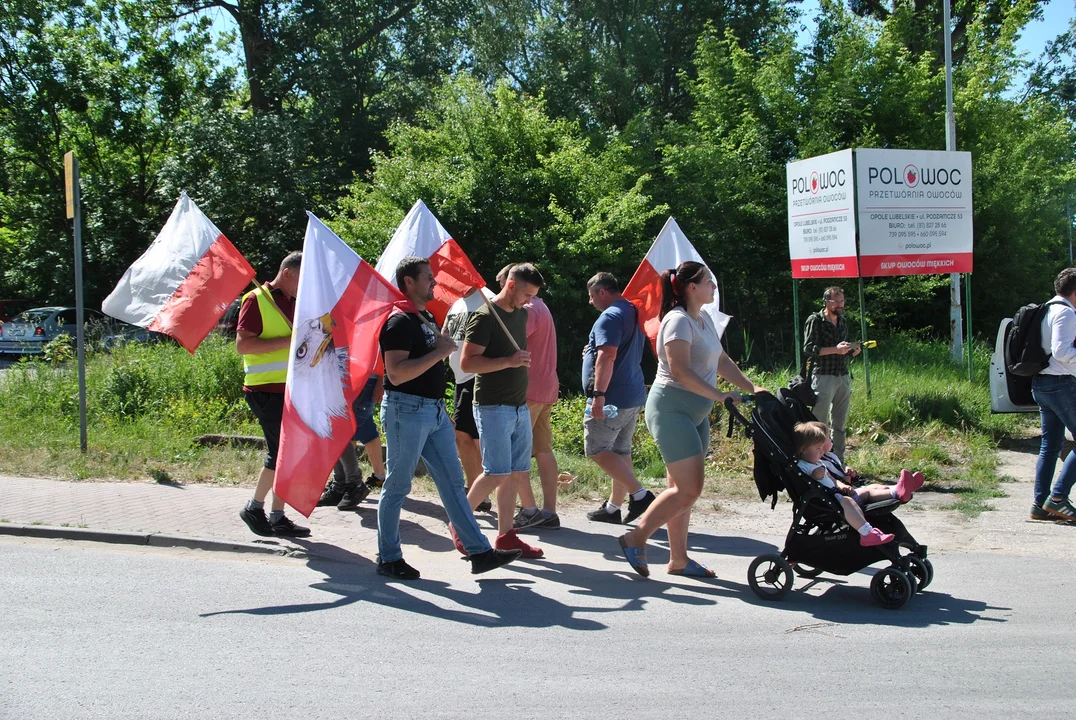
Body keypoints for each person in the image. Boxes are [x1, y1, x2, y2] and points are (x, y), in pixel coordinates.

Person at [376, 256, 522, 579]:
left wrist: (440, 408)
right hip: (406, 410)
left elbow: (428, 365)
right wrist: (439, 353)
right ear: (409, 282)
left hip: (433, 412)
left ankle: (479, 551)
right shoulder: (398, 321)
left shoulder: (424, 316)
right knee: (398, 485)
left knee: (455, 484)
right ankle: (388, 557)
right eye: (427, 277)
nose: (434, 282)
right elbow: (397, 374)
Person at [617, 261, 764, 578]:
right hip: (672, 409)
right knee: (689, 489)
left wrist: (752, 387)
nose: (714, 286)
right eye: (709, 281)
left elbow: (721, 359)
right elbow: (680, 370)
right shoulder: (677, 321)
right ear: (691, 287)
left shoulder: (704, 319)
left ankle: (679, 560)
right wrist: (720, 395)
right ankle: (635, 538)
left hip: (696, 411)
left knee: (679, 489)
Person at [462, 263, 546, 558]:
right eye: (526, 293)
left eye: (533, 295)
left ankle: (506, 536)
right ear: (510, 285)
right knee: (496, 472)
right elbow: (467, 363)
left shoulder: (521, 313)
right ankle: (459, 523)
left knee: (514, 473)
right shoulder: (484, 316)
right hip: (492, 405)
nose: (529, 301)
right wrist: (508, 362)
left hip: (518, 405)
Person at [237, 252, 311, 538]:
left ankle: (278, 515)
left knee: (288, 453)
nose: (305, 286)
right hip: (264, 390)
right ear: (288, 272)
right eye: (302, 278)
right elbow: (243, 345)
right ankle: (254, 507)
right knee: (279, 453)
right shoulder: (256, 299)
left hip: (291, 389)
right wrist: (288, 341)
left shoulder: (296, 302)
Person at [581, 272, 655, 525]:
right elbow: (613, 351)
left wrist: (599, 395)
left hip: (612, 397)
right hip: (631, 393)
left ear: (602, 292)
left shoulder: (610, 316)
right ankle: (613, 508)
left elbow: (608, 357)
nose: (590, 302)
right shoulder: (632, 310)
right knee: (620, 451)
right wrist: (591, 352)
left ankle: (641, 495)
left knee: (597, 449)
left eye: (592, 296)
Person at [492, 264, 561, 531]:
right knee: (543, 449)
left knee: (514, 454)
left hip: (528, 390)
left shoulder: (528, 310)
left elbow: (513, 344)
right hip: (545, 387)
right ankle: (549, 511)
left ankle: (530, 509)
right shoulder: (541, 306)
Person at [794, 421, 922, 546]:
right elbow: (807, 480)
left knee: (869, 490)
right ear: (804, 450)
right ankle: (867, 533)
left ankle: (898, 490)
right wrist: (815, 475)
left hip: (838, 494)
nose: (821, 452)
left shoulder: (818, 462)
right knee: (849, 501)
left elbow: (832, 480)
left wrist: (842, 485)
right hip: (828, 500)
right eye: (818, 449)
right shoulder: (802, 466)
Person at [444, 287, 496, 513]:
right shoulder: (456, 303)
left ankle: (494, 489)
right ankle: (476, 491)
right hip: (460, 378)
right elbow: (447, 335)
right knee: (461, 435)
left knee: (477, 439)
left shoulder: (489, 299)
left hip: (479, 377)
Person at [1031, 268, 1076, 522]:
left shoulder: (1046, 309)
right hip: (1060, 384)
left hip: (1042, 384)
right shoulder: (1066, 313)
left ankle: (1040, 505)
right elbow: (1062, 352)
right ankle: (1057, 499)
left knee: (1050, 446)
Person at [802, 286, 861, 461]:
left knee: (840, 424)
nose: (840, 305)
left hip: (842, 375)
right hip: (823, 376)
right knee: (819, 424)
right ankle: (817, 461)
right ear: (827, 302)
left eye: (842, 301)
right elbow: (808, 349)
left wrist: (852, 350)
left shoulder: (842, 321)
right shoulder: (815, 320)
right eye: (836, 301)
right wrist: (835, 350)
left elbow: (842, 347)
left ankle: (839, 462)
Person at [317, 372, 387, 511]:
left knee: (342, 432)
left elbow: (381, 352)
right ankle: (342, 484)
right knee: (343, 431)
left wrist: (380, 381)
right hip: (343, 378)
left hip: (364, 380)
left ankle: (353, 484)